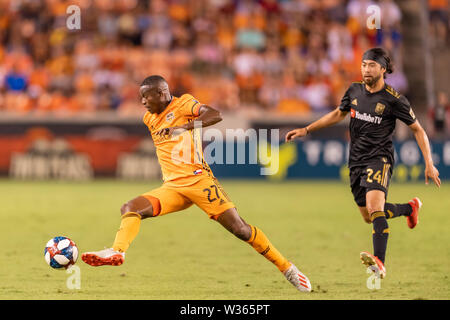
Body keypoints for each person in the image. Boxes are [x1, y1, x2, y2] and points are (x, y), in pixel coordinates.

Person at [82, 75, 312, 293]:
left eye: (146, 96)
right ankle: (117, 251)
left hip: (199, 181)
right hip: (172, 188)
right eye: (141, 97)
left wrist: (185, 127)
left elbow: (214, 114)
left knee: (240, 229)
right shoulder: (149, 118)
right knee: (130, 207)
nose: (142, 101)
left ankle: (287, 268)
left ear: (162, 93)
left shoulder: (183, 105)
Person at [285, 48, 441, 279]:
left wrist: (429, 162)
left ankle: (379, 262)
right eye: (364, 64)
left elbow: (417, 129)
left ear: (383, 69)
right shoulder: (354, 90)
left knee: (375, 207)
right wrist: (307, 129)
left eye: (371, 65)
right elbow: (338, 114)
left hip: (380, 158)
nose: (366, 69)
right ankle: (410, 208)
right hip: (355, 160)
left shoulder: (394, 100)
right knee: (369, 216)